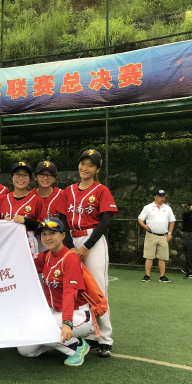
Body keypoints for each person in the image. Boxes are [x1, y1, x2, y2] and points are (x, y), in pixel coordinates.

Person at [17, 218, 92, 367]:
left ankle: (77, 346)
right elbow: (23, 262)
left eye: (52, 233)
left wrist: (67, 323)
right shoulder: (47, 256)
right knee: (25, 350)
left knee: (41, 330)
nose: (47, 237)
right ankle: (58, 341)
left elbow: (70, 292)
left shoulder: (70, 258)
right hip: (53, 313)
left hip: (77, 315)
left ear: (63, 235)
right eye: (44, 234)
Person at [64, 149, 117, 358]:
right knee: (79, 289)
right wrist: (70, 246)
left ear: (97, 169)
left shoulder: (101, 190)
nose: (85, 168)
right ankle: (91, 335)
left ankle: (105, 338)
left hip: (92, 239)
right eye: (83, 163)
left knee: (98, 288)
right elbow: (63, 219)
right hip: (72, 239)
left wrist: (86, 246)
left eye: (90, 165)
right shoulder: (68, 190)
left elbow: (105, 221)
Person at [0, 162, 41, 253]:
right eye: (17, 175)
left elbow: (43, 227)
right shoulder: (1, 200)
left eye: (25, 175)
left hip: (28, 244)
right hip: (5, 243)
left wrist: (27, 221)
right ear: (11, 177)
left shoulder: (37, 200)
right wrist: (3, 223)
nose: (21, 178)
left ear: (30, 178)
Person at [137, 189, 175, 283]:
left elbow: (172, 221)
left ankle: (162, 276)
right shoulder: (148, 207)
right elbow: (140, 218)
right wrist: (144, 226)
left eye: (164, 196)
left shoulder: (168, 208)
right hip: (151, 235)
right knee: (149, 256)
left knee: (162, 257)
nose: (163, 198)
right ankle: (147, 275)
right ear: (155, 197)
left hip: (163, 236)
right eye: (160, 196)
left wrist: (170, 233)